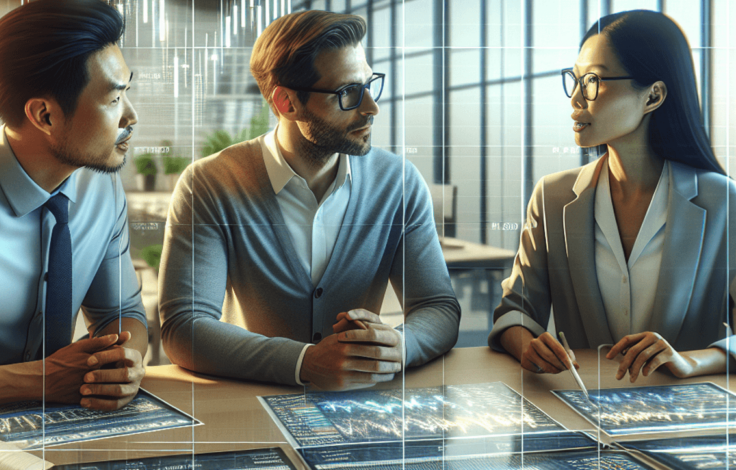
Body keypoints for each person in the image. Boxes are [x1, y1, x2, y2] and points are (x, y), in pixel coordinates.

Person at [159, 10, 461, 390]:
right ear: (286, 103)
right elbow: (184, 327)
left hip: (361, 411)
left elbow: (439, 308)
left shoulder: (398, 183)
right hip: (252, 407)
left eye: (369, 84)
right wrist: (304, 362)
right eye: (348, 93)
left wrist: (399, 345)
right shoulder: (210, 184)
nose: (371, 107)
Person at [489, 10, 736, 383]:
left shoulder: (722, 202)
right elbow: (515, 311)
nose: (575, 98)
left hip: (685, 418)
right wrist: (528, 344)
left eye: (593, 81)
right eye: (574, 80)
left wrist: (691, 361)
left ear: (653, 95)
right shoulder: (553, 197)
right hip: (581, 408)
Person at [0, 0, 147, 411]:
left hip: (62, 432)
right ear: (44, 114)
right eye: (114, 100)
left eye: (126, 92)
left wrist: (119, 365)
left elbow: (123, 312)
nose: (131, 115)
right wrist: (38, 381)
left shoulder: (102, 188)